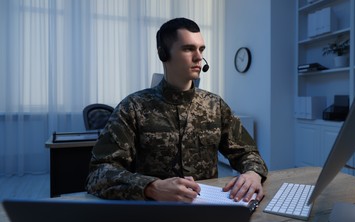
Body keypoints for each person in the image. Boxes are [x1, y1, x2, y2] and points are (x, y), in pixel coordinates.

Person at [86, 17, 268, 203]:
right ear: (163, 53)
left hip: (207, 211)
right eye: (188, 48)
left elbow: (248, 153)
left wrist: (253, 173)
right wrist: (151, 187)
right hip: (155, 213)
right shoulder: (133, 107)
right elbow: (98, 173)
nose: (199, 57)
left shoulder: (215, 105)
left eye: (201, 49)